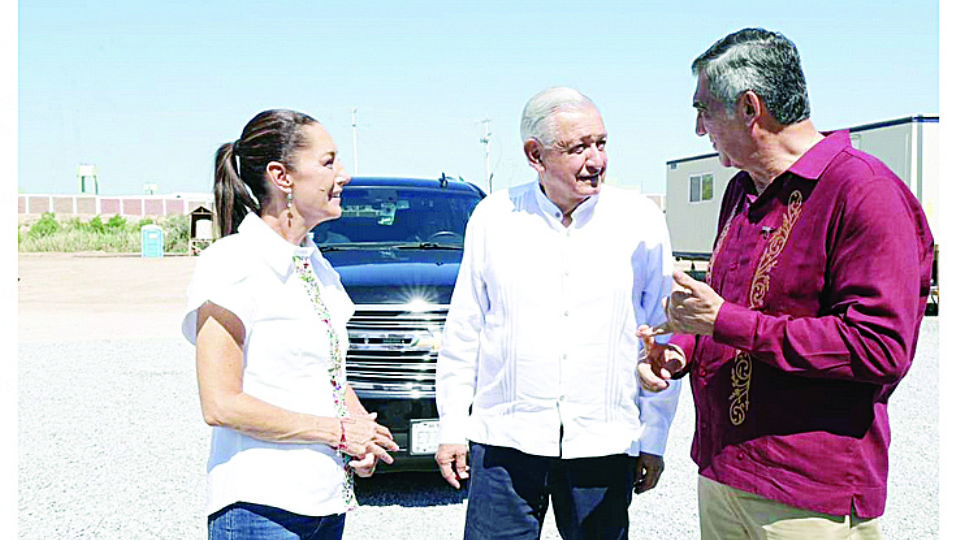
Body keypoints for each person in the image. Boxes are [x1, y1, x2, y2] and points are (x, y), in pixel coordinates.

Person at [637, 28, 934, 539]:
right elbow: (726, 306)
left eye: (703, 110)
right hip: (724, 473)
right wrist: (683, 348)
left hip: (806, 497)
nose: (698, 129)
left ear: (750, 108)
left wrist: (724, 322)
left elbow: (880, 348)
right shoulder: (742, 191)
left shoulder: (865, 193)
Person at [435, 87, 681, 539]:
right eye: (578, 148)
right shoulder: (494, 218)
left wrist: (653, 437)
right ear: (535, 154)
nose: (596, 160)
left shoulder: (640, 221)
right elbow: (464, 331)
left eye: (601, 143)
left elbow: (662, 336)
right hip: (506, 444)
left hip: (603, 445)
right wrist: (452, 426)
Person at [181, 109, 399, 539]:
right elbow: (221, 404)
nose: (344, 175)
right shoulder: (231, 263)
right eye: (328, 161)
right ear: (282, 176)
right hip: (260, 510)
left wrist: (362, 431)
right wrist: (338, 432)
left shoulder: (318, 267)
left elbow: (325, 373)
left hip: (325, 504)